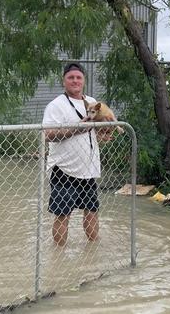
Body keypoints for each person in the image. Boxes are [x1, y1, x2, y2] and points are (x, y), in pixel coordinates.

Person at [43, 62, 113, 246]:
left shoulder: (92, 102)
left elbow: (95, 131)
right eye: (71, 77)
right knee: (62, 214)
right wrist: (77, 129)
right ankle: (58, 257)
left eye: (78, 77)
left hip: (88, 169)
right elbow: (48, 135)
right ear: (64, 81)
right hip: (63, 169)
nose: (75, 81)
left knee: (92, 211)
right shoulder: (56, 105)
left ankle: (93, 251)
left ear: (84, 80)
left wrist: (103, 134)